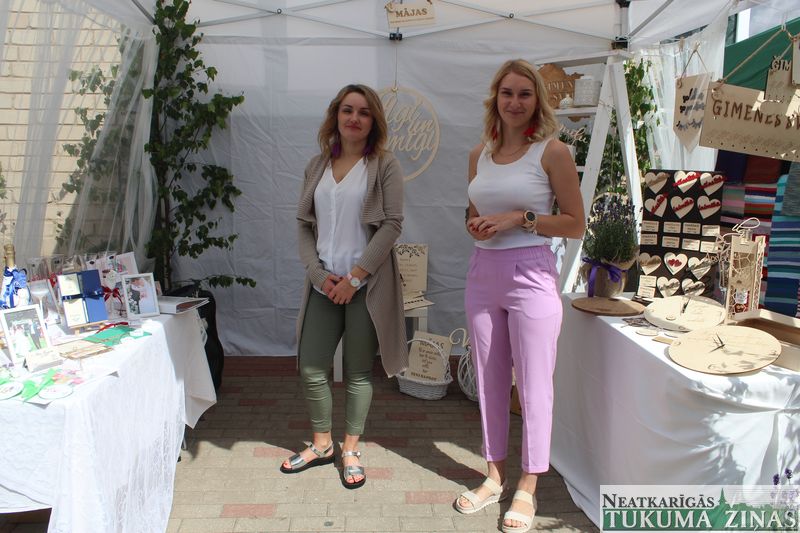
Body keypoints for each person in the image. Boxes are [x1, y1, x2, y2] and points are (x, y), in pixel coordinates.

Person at [455, 59, 585, 533]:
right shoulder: (479, 155)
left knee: (533, 384)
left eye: (524, 94)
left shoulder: (553, 152)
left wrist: (519, 218)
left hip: (531, 272)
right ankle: (494, 476)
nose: (514, 102)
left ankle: (528, 485)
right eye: (507, 93)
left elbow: (575, 224)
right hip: (482, 270)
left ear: (537, 101)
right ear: (496, 98)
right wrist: (475, 225)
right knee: (489, 380)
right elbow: (474, 212)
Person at [281, 84, 407, 490]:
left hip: (366, 286)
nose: (354, 118)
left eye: (364, 112)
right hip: (324, 283)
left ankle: (350, 448)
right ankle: (322, 445)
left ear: (374, 121)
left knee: (357, 370)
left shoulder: (384, 165)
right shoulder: (316, 165)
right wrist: (320, 276)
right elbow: (304, 224)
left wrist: (355, 277)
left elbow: (392, 224)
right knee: (311, 365)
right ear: (335, 115)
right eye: (348, 110)